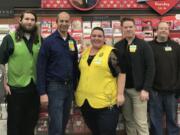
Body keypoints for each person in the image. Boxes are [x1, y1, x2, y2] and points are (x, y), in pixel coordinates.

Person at [75, 27, 126, 135]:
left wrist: (120, 94)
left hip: (106, 104)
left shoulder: (112, 53)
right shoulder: (85, 53)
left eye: (99, 36)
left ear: (104, 38)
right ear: (90, 38)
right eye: (94, 36)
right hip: (86, 103)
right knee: (95, 131)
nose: (96, 38)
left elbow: (121, 73)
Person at [37, 12, 78, 135]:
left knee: (64, 122)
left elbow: (74, 65)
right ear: (56, 22)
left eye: (66, 21)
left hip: (69, 87)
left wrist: (75, 87)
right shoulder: (48, 42)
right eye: (61, 21)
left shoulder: (72, 42)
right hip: (55, 87)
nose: (64, 24)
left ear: (69, 23)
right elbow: (41, 67)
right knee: (56, 124)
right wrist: (42, 92)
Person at [0, 10, 41, 135]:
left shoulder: (39, 39)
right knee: (14, 123)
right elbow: (2, 61)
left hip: (34, 88)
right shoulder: (9, 38)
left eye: (32, 20)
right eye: (27, 19)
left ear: (35, 22)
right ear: (20, 21)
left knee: (31, 121)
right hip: (16, 88)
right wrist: (5, 83)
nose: (29, 22)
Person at [114, 17, 155, 135]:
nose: (128, 29)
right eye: (125, 27)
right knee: (129, 121)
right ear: (122, 29)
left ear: (135, 28)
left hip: (139, 91)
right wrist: (118, 92)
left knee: (141, 122)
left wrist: (146, 89)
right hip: (123, 91)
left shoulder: (144, 45)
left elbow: (151, 68)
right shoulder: (117, 46)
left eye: (130, 27)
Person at [149, 21, 180, 135]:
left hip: (172, 91)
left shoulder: (176, 46)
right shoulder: (149, 46)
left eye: (166, 29)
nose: (163, 30)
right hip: (154, 91)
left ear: (169, 31)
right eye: (161, 28)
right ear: (156, 30)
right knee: (155, 120)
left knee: (172, 119)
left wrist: (178, 86)